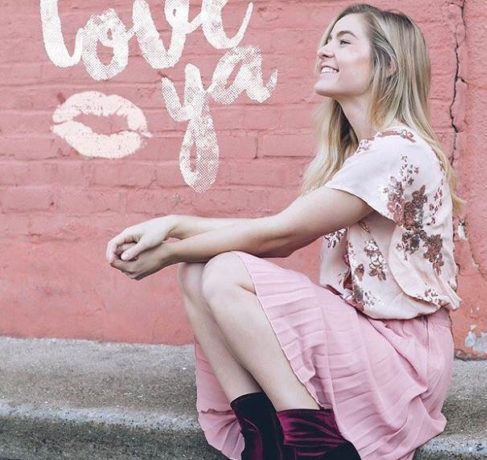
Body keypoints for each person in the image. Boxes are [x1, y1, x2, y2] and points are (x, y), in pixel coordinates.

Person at [106, 3, 466, 459]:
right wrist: (173, 230)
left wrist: (169, 248)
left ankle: (315, 443)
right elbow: (274, 229)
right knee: (197, 270)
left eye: (344, 41)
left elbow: (280, 236)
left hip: (401, 361)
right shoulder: (361, 155)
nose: (324, 50)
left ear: (388, 63)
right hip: (361, 344)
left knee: (224, 271)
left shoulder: (396, 152)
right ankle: (264, 439)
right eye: (327, 40)